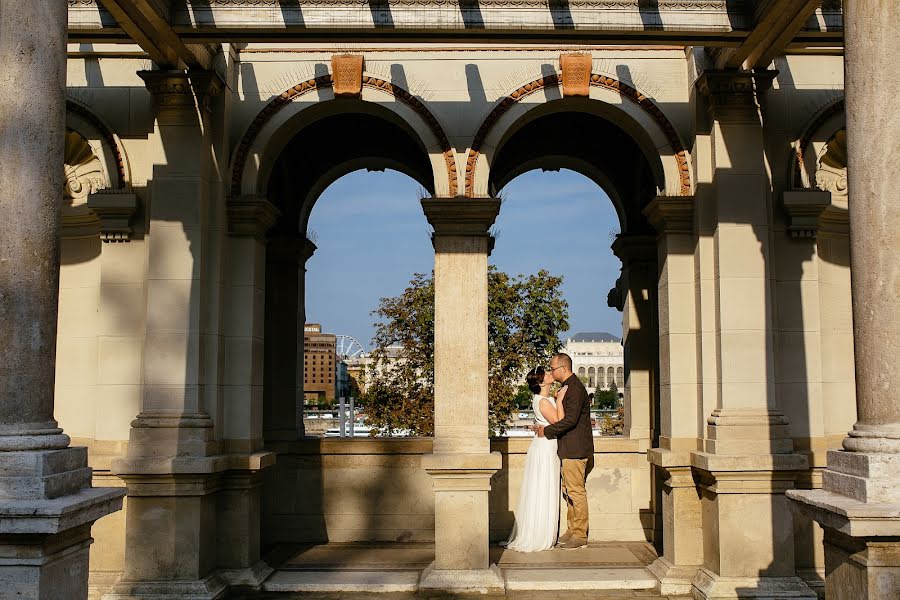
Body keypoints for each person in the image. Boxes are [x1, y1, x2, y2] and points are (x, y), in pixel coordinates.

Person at [501, 366, 568, 552]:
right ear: (541, 382)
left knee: (542, 488)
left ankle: (541, 531)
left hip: (543, 445)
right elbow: (559, 422)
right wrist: (560, 400)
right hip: (546, 447)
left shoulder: (542, 400)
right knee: (545, 487)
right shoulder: (544, 401)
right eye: (546, 374)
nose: (549, 374)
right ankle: (541, 535)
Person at [533, 352, 593, 549]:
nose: (551, 371)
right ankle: (571, 530)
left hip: (575, 450)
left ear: (564, 368)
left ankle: (580, 534)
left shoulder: (574, 389)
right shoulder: (567, 387)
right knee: (569, 492)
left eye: (553, 368)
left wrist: (546, 431)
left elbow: (570, 421)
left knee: (576, 492)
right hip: (568, 449)